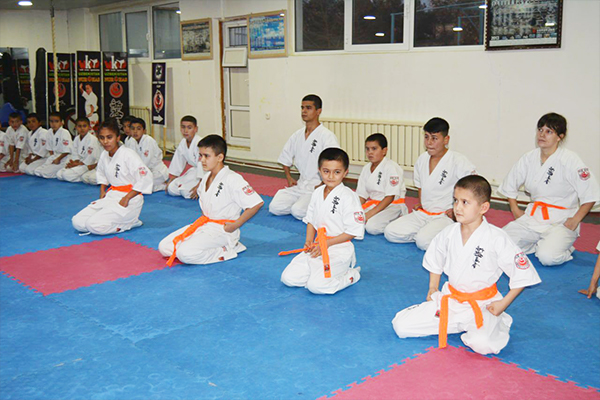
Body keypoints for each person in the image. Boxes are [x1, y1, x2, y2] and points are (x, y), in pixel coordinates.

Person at [392, 175, 541, 355]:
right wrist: (433, 287)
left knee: (482, 344)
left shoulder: (497, 237)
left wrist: (502, 304)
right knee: (401, 325)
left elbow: (523, 274)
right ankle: (458, 324)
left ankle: (497, 321)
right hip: (451, 300)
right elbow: (435, 260)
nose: (457, 207)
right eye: (455, 200)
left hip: (483, 304)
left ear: (483, 207)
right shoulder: (448, 232)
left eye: (465, 202)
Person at [498, 113, 599, 266]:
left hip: (561, 221)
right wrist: (515, 210)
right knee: (500, 243)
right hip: (533, 218)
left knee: (547, 257)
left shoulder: (570, 160)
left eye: (549, 131)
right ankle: (536, 244)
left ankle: (563, 249)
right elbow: (510, 186)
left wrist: (575, 219)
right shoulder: (529, 158)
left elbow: (590, 193)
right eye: (540, 130)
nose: (542, 135)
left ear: (560, 137)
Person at [158, 135, 263, 265]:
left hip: (223, 230)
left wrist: (236, 225)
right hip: (206, 224)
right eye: (200, 155)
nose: (202, 160)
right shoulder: (206, 177)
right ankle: (200, 247)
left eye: (206, 156)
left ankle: (227, 249)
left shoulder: (233, 179)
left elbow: (256, 203)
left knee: (184, 254)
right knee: (164, 247)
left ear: (220, 157)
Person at [280, 147, 364, 295]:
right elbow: (311, 220)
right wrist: (308, 241)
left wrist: (326, 244)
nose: (331, 176)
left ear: (345, 172)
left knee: (317, 287)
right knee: (288, 278)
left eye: (337, 172)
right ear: (319, 171)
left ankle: (351, 275)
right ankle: (318, 274)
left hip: (339, 248)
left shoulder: (349, 197)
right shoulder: (318, 192)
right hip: (317, 246)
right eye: (326, 171)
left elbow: (352, 231)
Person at [384, 117, 476, 250]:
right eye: (426, 137)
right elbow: (420, 186)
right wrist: (422, 203)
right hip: (423, 213)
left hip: (444, 216)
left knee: (423, 242)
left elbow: (474, 188)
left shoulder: (458, 161)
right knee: (390, 232)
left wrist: (457, 211)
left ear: (446, 140)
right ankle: (430, 236)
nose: (429, 143)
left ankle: (448, 233)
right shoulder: (422, 159)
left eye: (434, 138)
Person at [72, 119, 153, 235]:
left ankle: (131, 222)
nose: (105, 141)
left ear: (118, 138)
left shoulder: (128, 154)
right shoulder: (104, 154)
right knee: (78, 222)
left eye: (109, 137)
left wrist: (127, 198)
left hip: (129, 199)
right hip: (111, 195)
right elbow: (101, 174)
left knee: (93, 225)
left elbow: (145, 176)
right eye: (102, 138)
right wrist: (102, 192)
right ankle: (118, 220)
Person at [269, 94, 340, 220]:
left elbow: (335, 162)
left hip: (317, 186)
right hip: (300, 185)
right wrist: (289, 177)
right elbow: (285, 157)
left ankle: (323, 204)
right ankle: (309, 205)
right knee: (275, 207)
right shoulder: (297, 135)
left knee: (297, 211)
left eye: (308, 108)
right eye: (302, 108)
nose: (304, 111)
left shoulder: (326, 136)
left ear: (318, 111)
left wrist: (323, 184)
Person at [356, 133, 407, 235]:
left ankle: (397, 220)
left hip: (392, 205)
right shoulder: (366, 168)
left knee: (371, 227)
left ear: (384, 150)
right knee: (352, 218)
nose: (370, 152)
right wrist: (354, 209)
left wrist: (369, 214)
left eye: (374, 149)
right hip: (375, 204)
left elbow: (390, 197)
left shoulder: (391, 167)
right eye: (367, 149)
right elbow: (361, 195)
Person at [165, 115, 204, 199]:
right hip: (194, 172)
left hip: (205, 174)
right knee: (171, 188)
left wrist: (199, 186)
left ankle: (204, 189)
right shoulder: (183, 142)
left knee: (186, 192)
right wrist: (172, 179)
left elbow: (204, 166)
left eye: (189, 128)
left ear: (196, 129)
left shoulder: (201, 143)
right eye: (183, 127)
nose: (185, 131)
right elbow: (178, 160)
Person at [56, 117, 101, 182]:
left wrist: (78, 164)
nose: (82, 128)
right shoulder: (76, 139)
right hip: (79, 163)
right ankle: (80, 175)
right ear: (76, 127)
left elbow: (90, 159)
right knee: (59, 174)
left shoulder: (92, 139)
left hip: (88, 165)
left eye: (84, 126)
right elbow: (74, 153)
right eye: (79, 126)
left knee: (66, 175)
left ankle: (81, 175)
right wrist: (74, 162)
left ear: (89, 127)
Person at [130, 118, 169, 192]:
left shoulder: (148, 141)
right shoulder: (132, 141)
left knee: (141, 187)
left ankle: (164, 186)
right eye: (133, 129)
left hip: (157, 172)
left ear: (144, 131)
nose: (135, 131)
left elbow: (145, 163)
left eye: (138, 129)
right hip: (145, 172)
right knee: (132, 183)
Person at [34, 111, 73, 179]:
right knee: (37, 171)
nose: (53, 124)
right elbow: (50, 149)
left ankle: (59, 170)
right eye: (51, 121)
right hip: (54, 156)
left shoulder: (65, 132)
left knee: (45, 173)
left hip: (63, 158)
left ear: (61, 122)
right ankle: (53, 170)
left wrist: (58, 159)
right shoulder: (49, 132)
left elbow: (67, 151)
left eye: (56, 121)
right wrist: (52, 158)